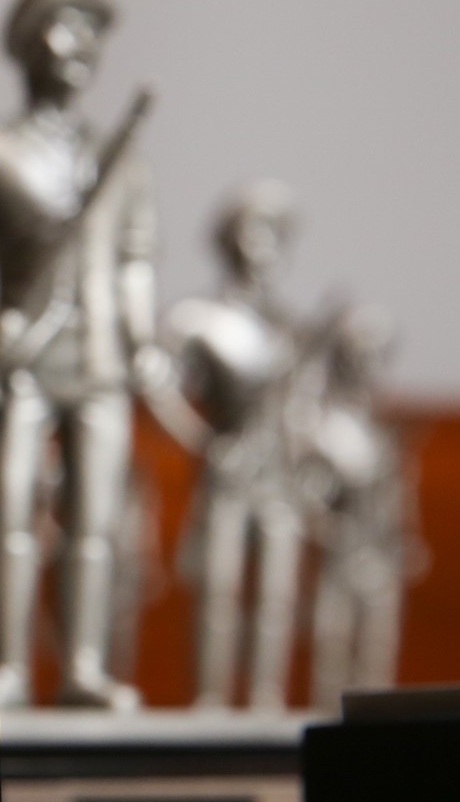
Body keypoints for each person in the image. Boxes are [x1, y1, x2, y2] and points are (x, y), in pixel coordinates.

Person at [0, 0, 157, 708]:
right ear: (25, 43)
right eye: (62, 27)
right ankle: (11, 668)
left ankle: (82, 667)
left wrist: (143, 343)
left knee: (95, 523)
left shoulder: (121, 159)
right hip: (25, 361)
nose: (79, 46)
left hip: (101, 364)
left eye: (92, 34)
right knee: (10, 512)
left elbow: (135, 261)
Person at [152, 182, 310, 709]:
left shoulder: (288, 328)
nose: (263, 246)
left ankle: (266, 699)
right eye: (253, 232)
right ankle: (211, 698)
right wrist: (202, 440)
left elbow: (299, 408)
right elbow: (157, 384)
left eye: (274, 235)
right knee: (218, 590)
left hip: (280, 478)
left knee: (276, 597)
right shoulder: (197, 318)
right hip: (229, 472)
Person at [299, 307, 424, 714]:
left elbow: (398, 489)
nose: (366, 364)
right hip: (340, 553)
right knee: (332, 649)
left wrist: (408, 536)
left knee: (376, 652)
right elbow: (309, 492)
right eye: (358, 353)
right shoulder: (321, 424)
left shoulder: (384, 424)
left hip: (381, 552)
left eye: (374, 354)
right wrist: (326, 526)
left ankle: (374, 733)